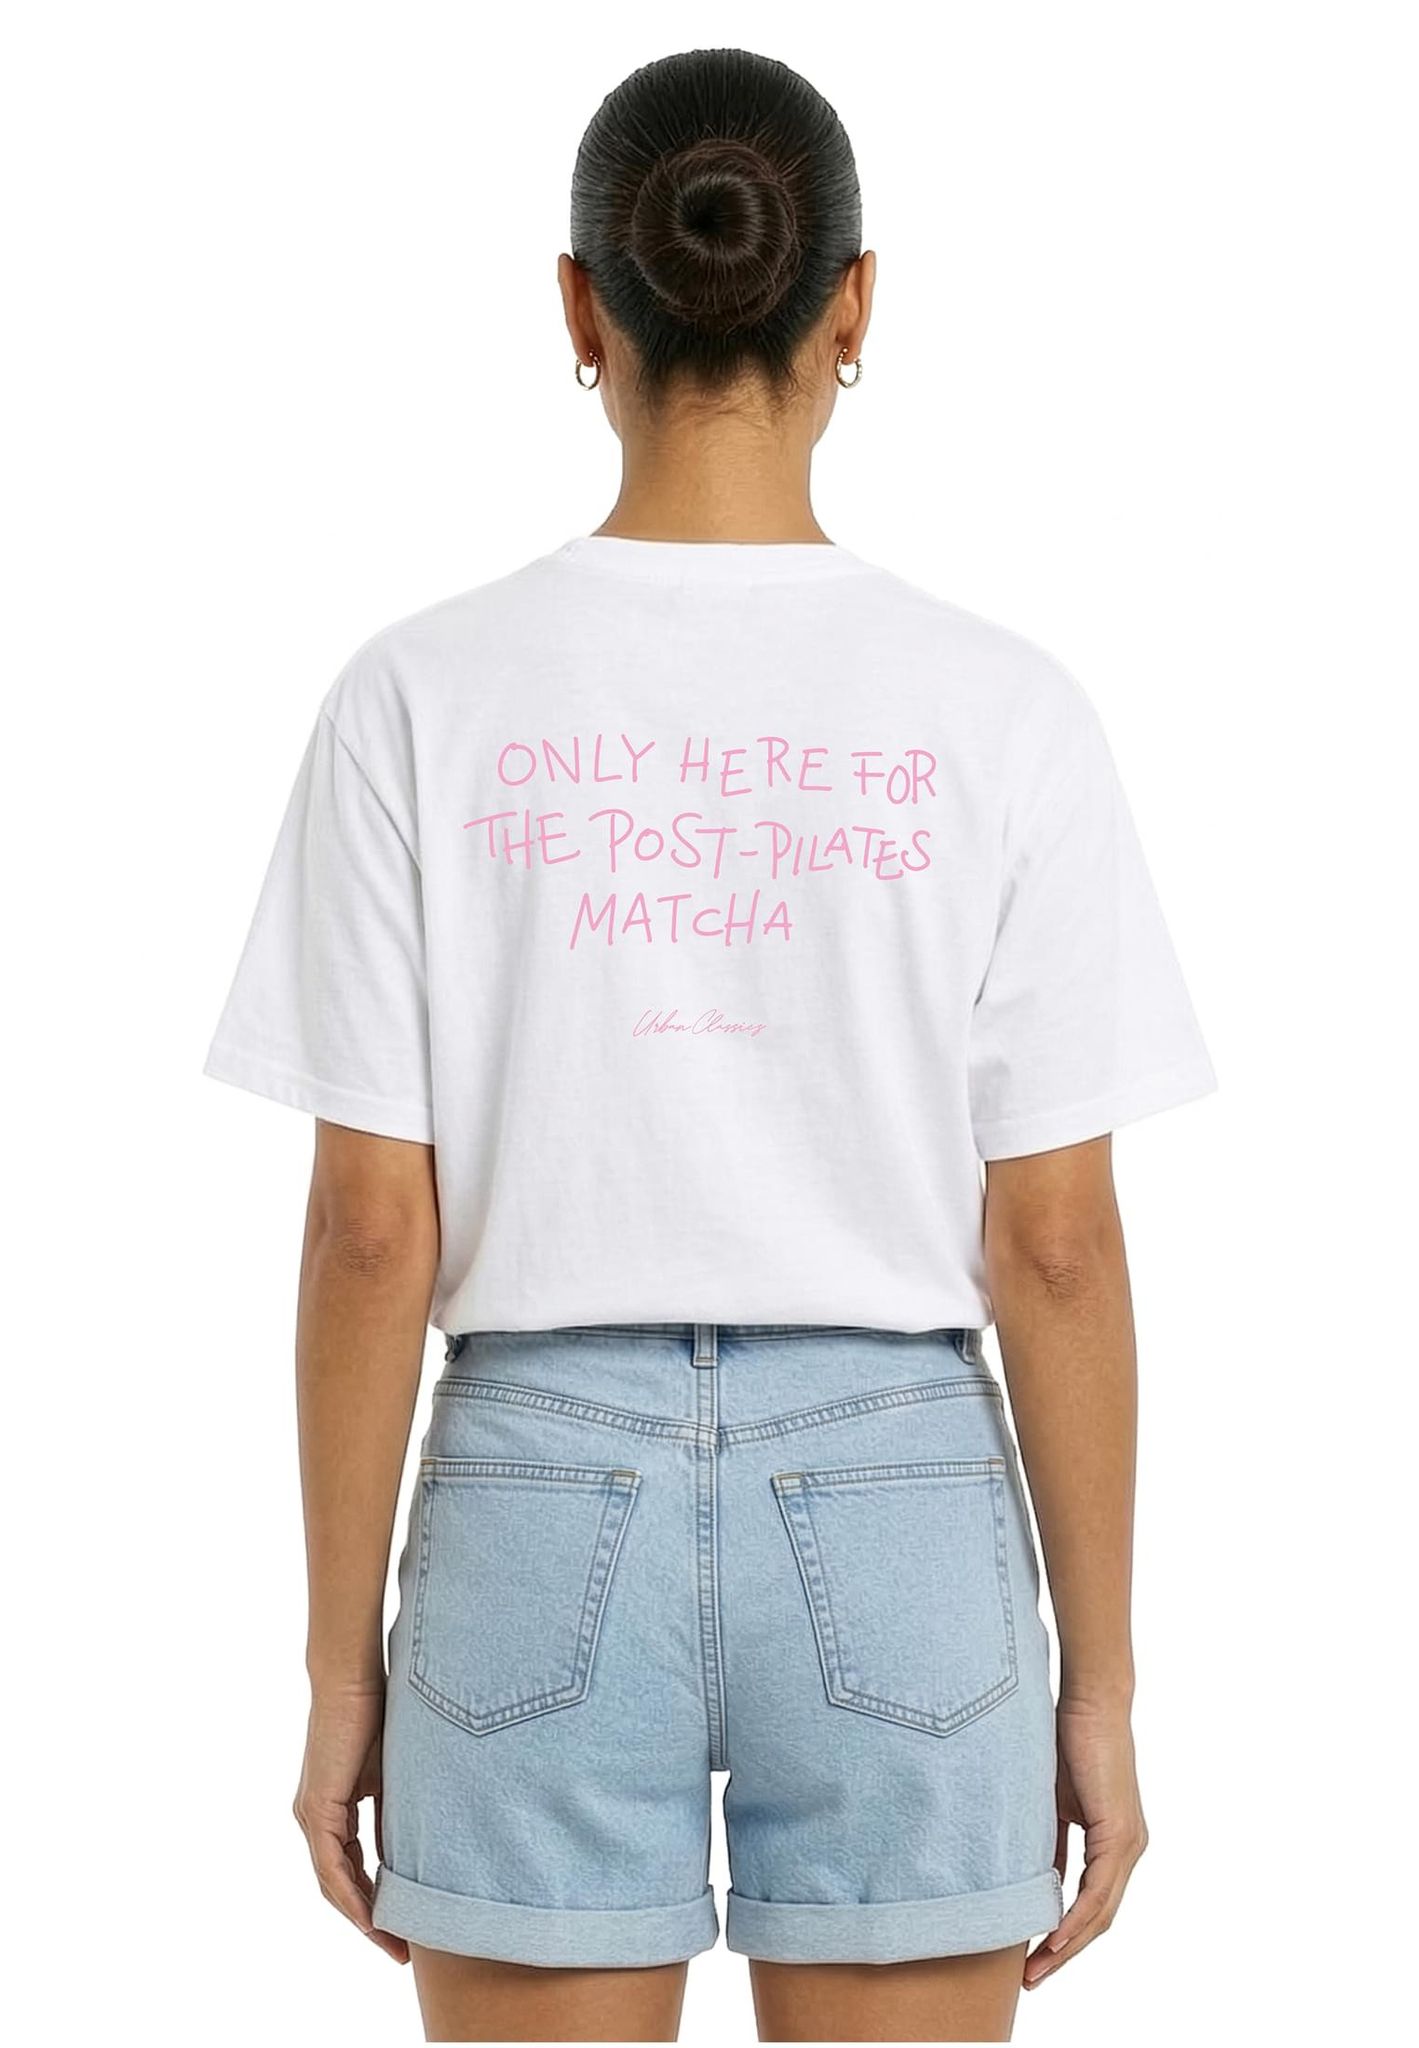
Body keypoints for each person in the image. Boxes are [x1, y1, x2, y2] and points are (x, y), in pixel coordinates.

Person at [202, 46, 1216, 2046]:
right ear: (855, 303)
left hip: (531, 1485)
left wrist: (336, 1673)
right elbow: (1056, 1245)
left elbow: (370, 1232)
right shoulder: (1003, 709)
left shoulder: (416, 694)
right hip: (903, 1488)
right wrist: (1098, 1687)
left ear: (581, 306)